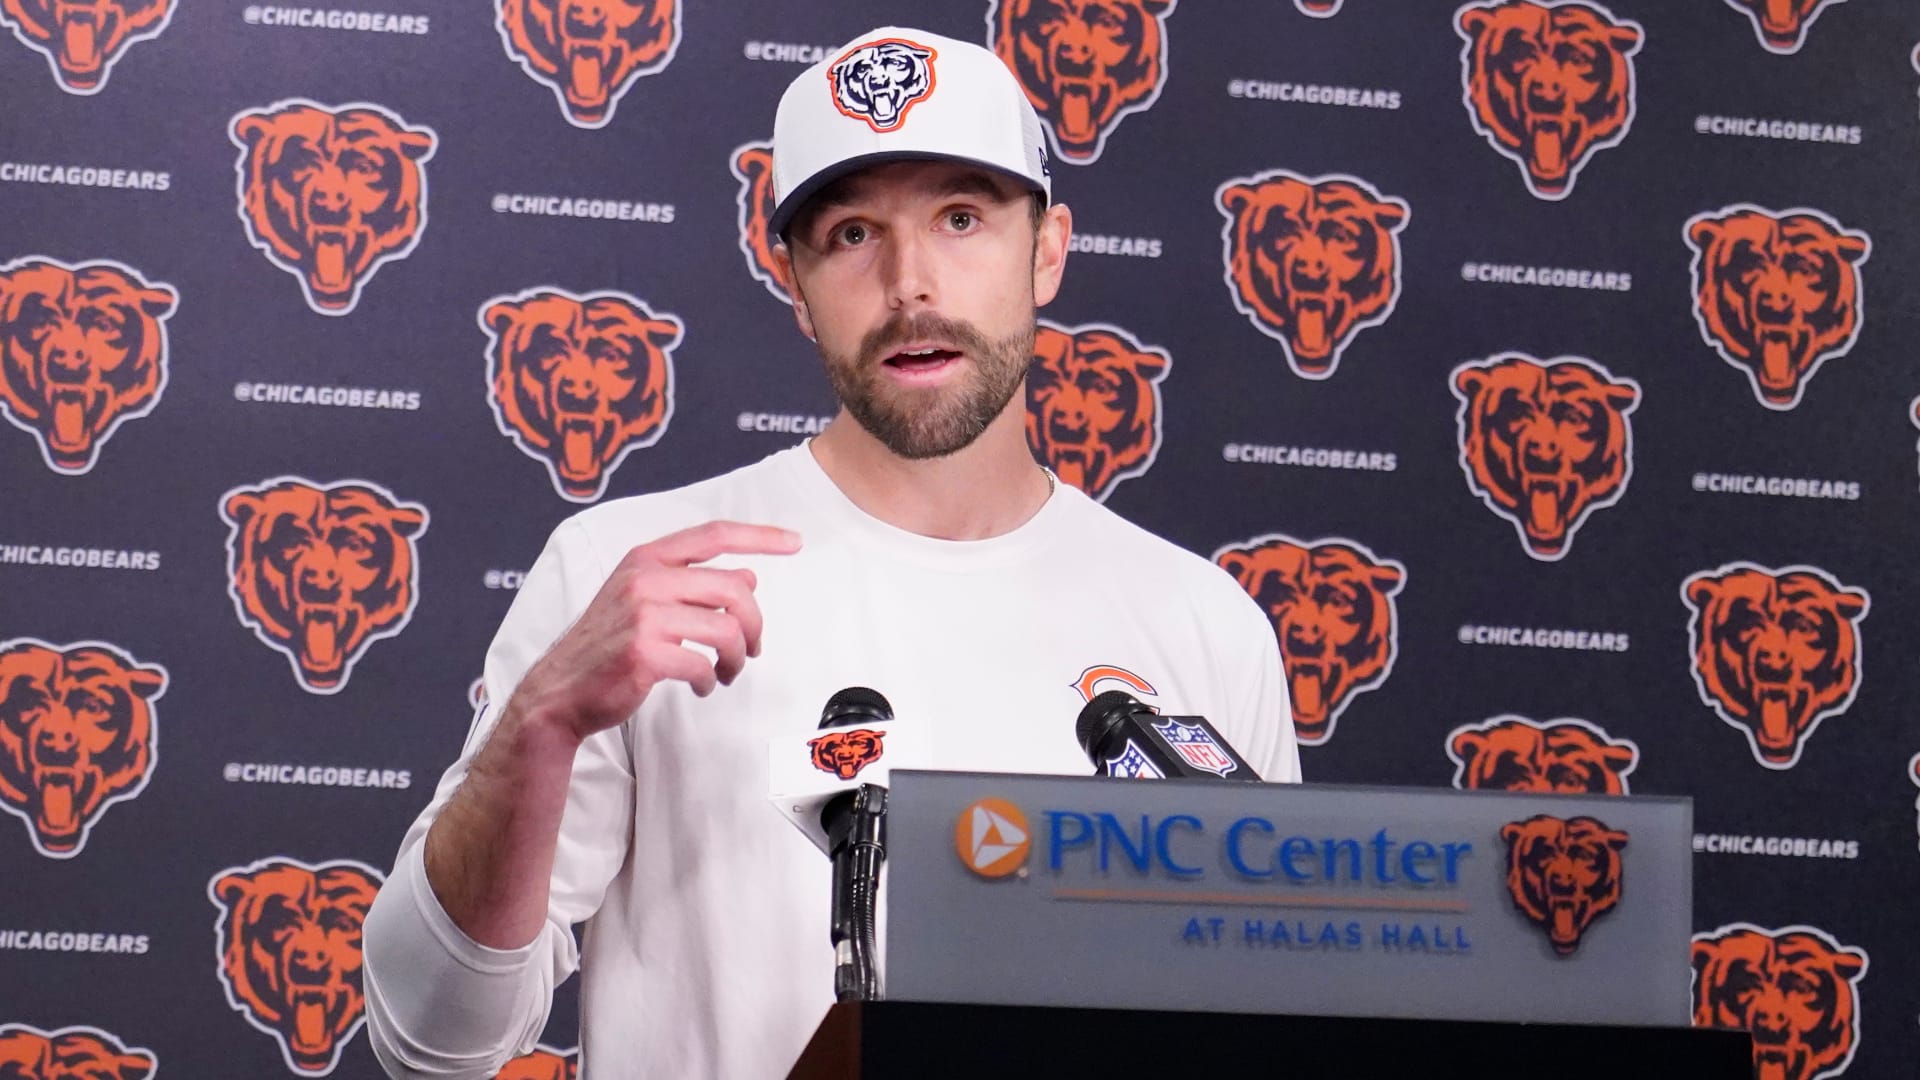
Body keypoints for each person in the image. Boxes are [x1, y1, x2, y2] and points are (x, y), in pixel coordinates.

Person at [362, 25, 1301, 1079]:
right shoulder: (629, 575)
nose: (910, 284)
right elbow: (430, 1041)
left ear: (1047, 250)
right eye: (853, 234)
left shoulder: (1204, 626)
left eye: (960, 218)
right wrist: (537, 727)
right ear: (795, 283)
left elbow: (1265, 1020)